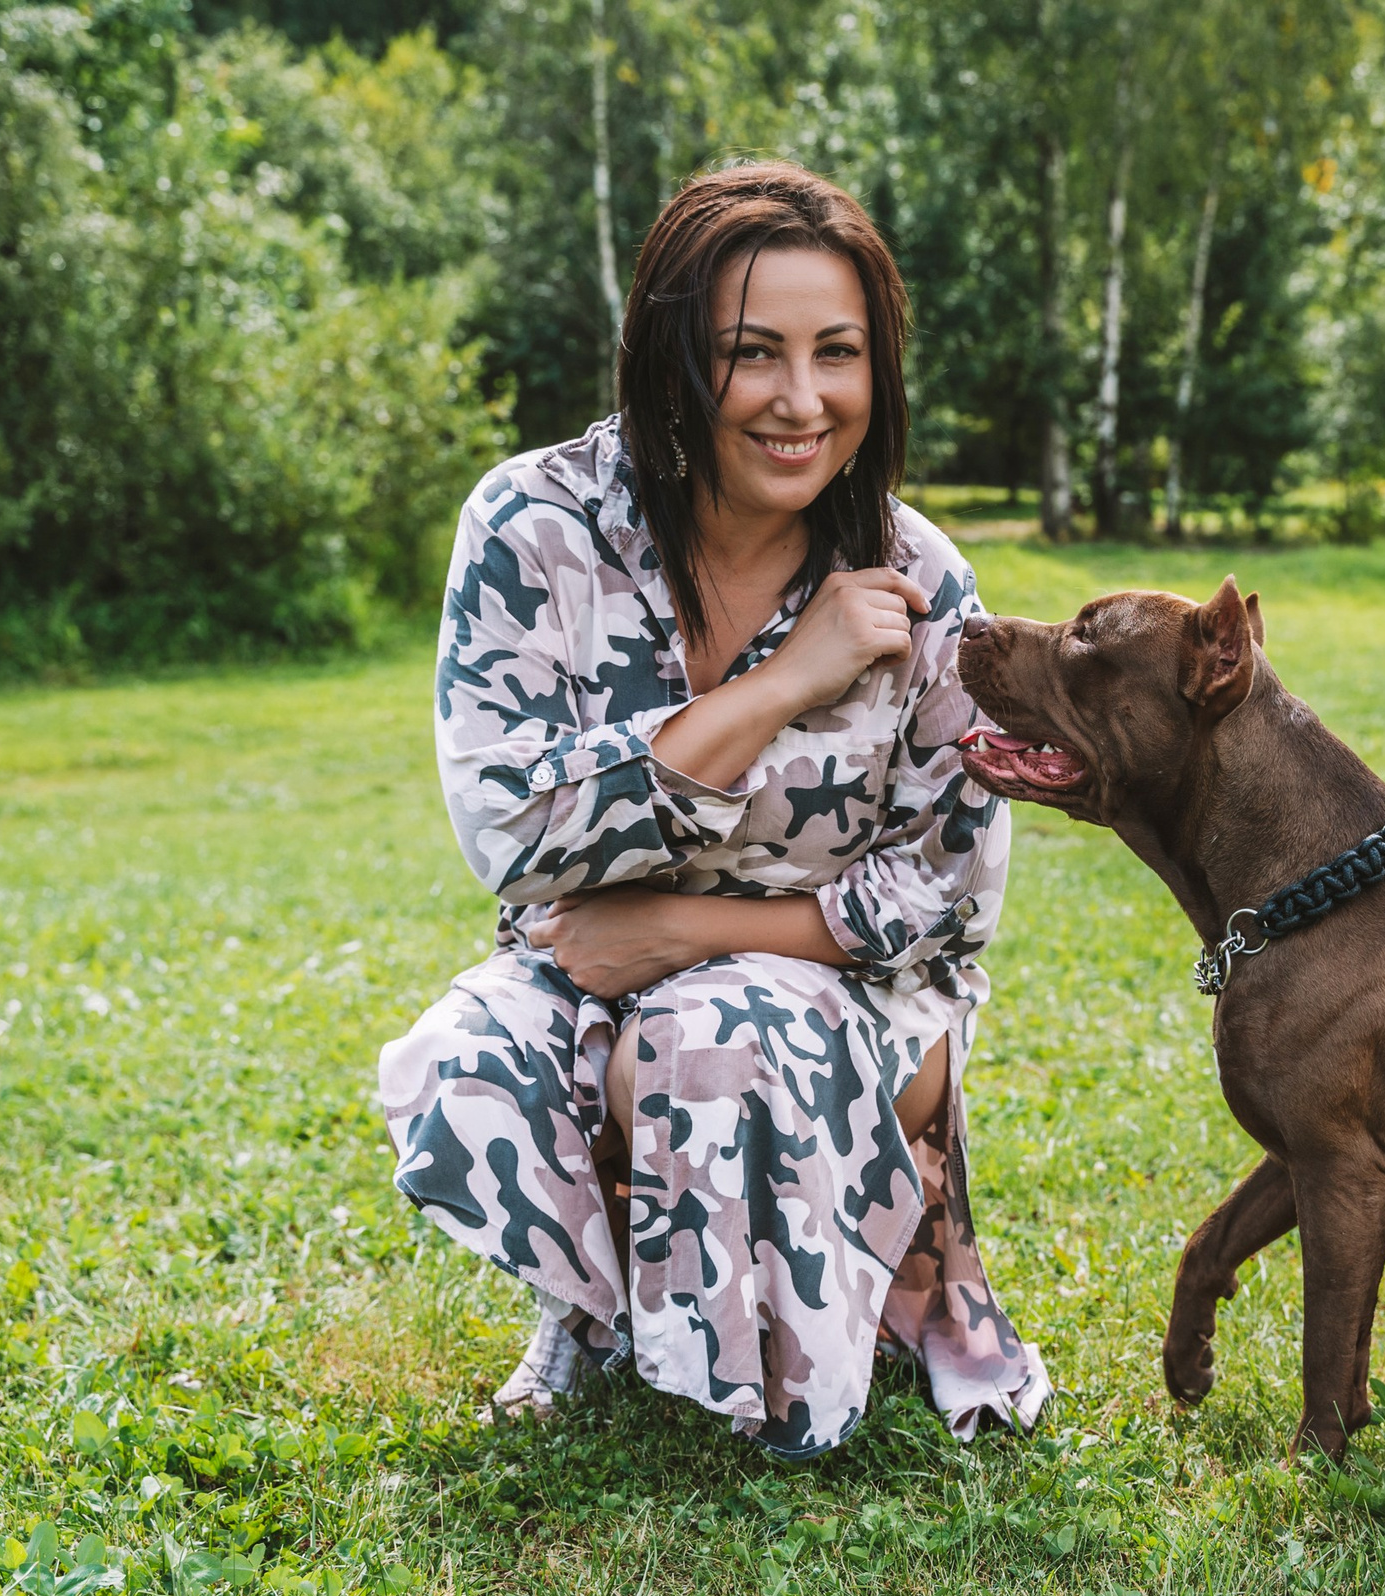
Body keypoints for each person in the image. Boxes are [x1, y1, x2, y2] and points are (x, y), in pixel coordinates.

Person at [376, 162, 1048, 1459]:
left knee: (708, 1031)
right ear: (675, 359)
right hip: (583, 966)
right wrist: (782, 686)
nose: (804, 402)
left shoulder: (917, 578)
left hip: (840, 989)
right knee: (466, 1071)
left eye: (838, 354)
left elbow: (945, 897)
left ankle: (789, 1351)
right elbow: (513, 828)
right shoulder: (537, 527)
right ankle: (600, 1306)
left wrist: (685, 928)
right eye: (754, 354)